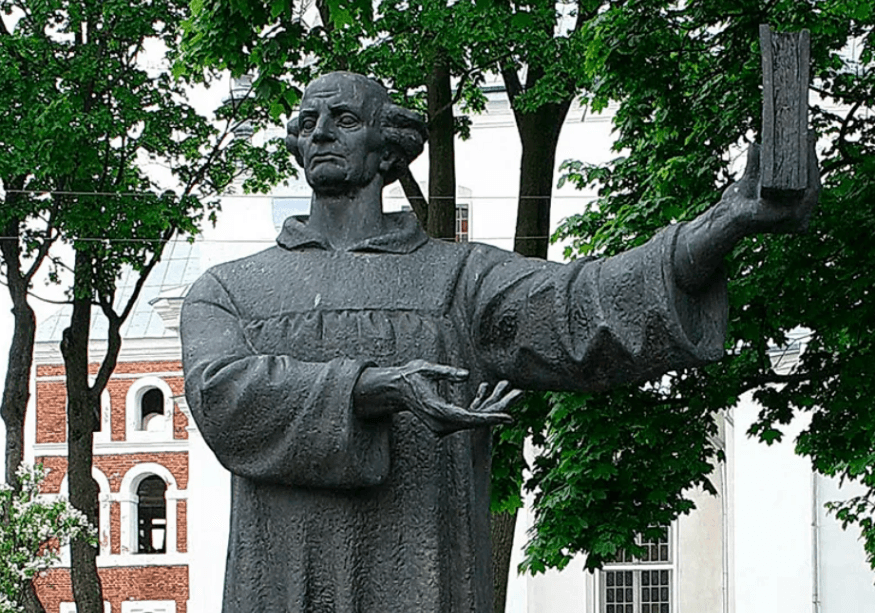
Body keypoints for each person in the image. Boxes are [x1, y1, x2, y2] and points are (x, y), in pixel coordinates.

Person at [180, 71, 819, 613]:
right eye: (308, 119)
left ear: (388, 147)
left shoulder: (458, 280)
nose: (319, 132)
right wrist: (379, 386)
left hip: (423, 571)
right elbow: (223, 396)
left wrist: (721, 225)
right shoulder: (230, 290)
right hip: (282, 579)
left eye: (343, 118)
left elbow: (585, 305)